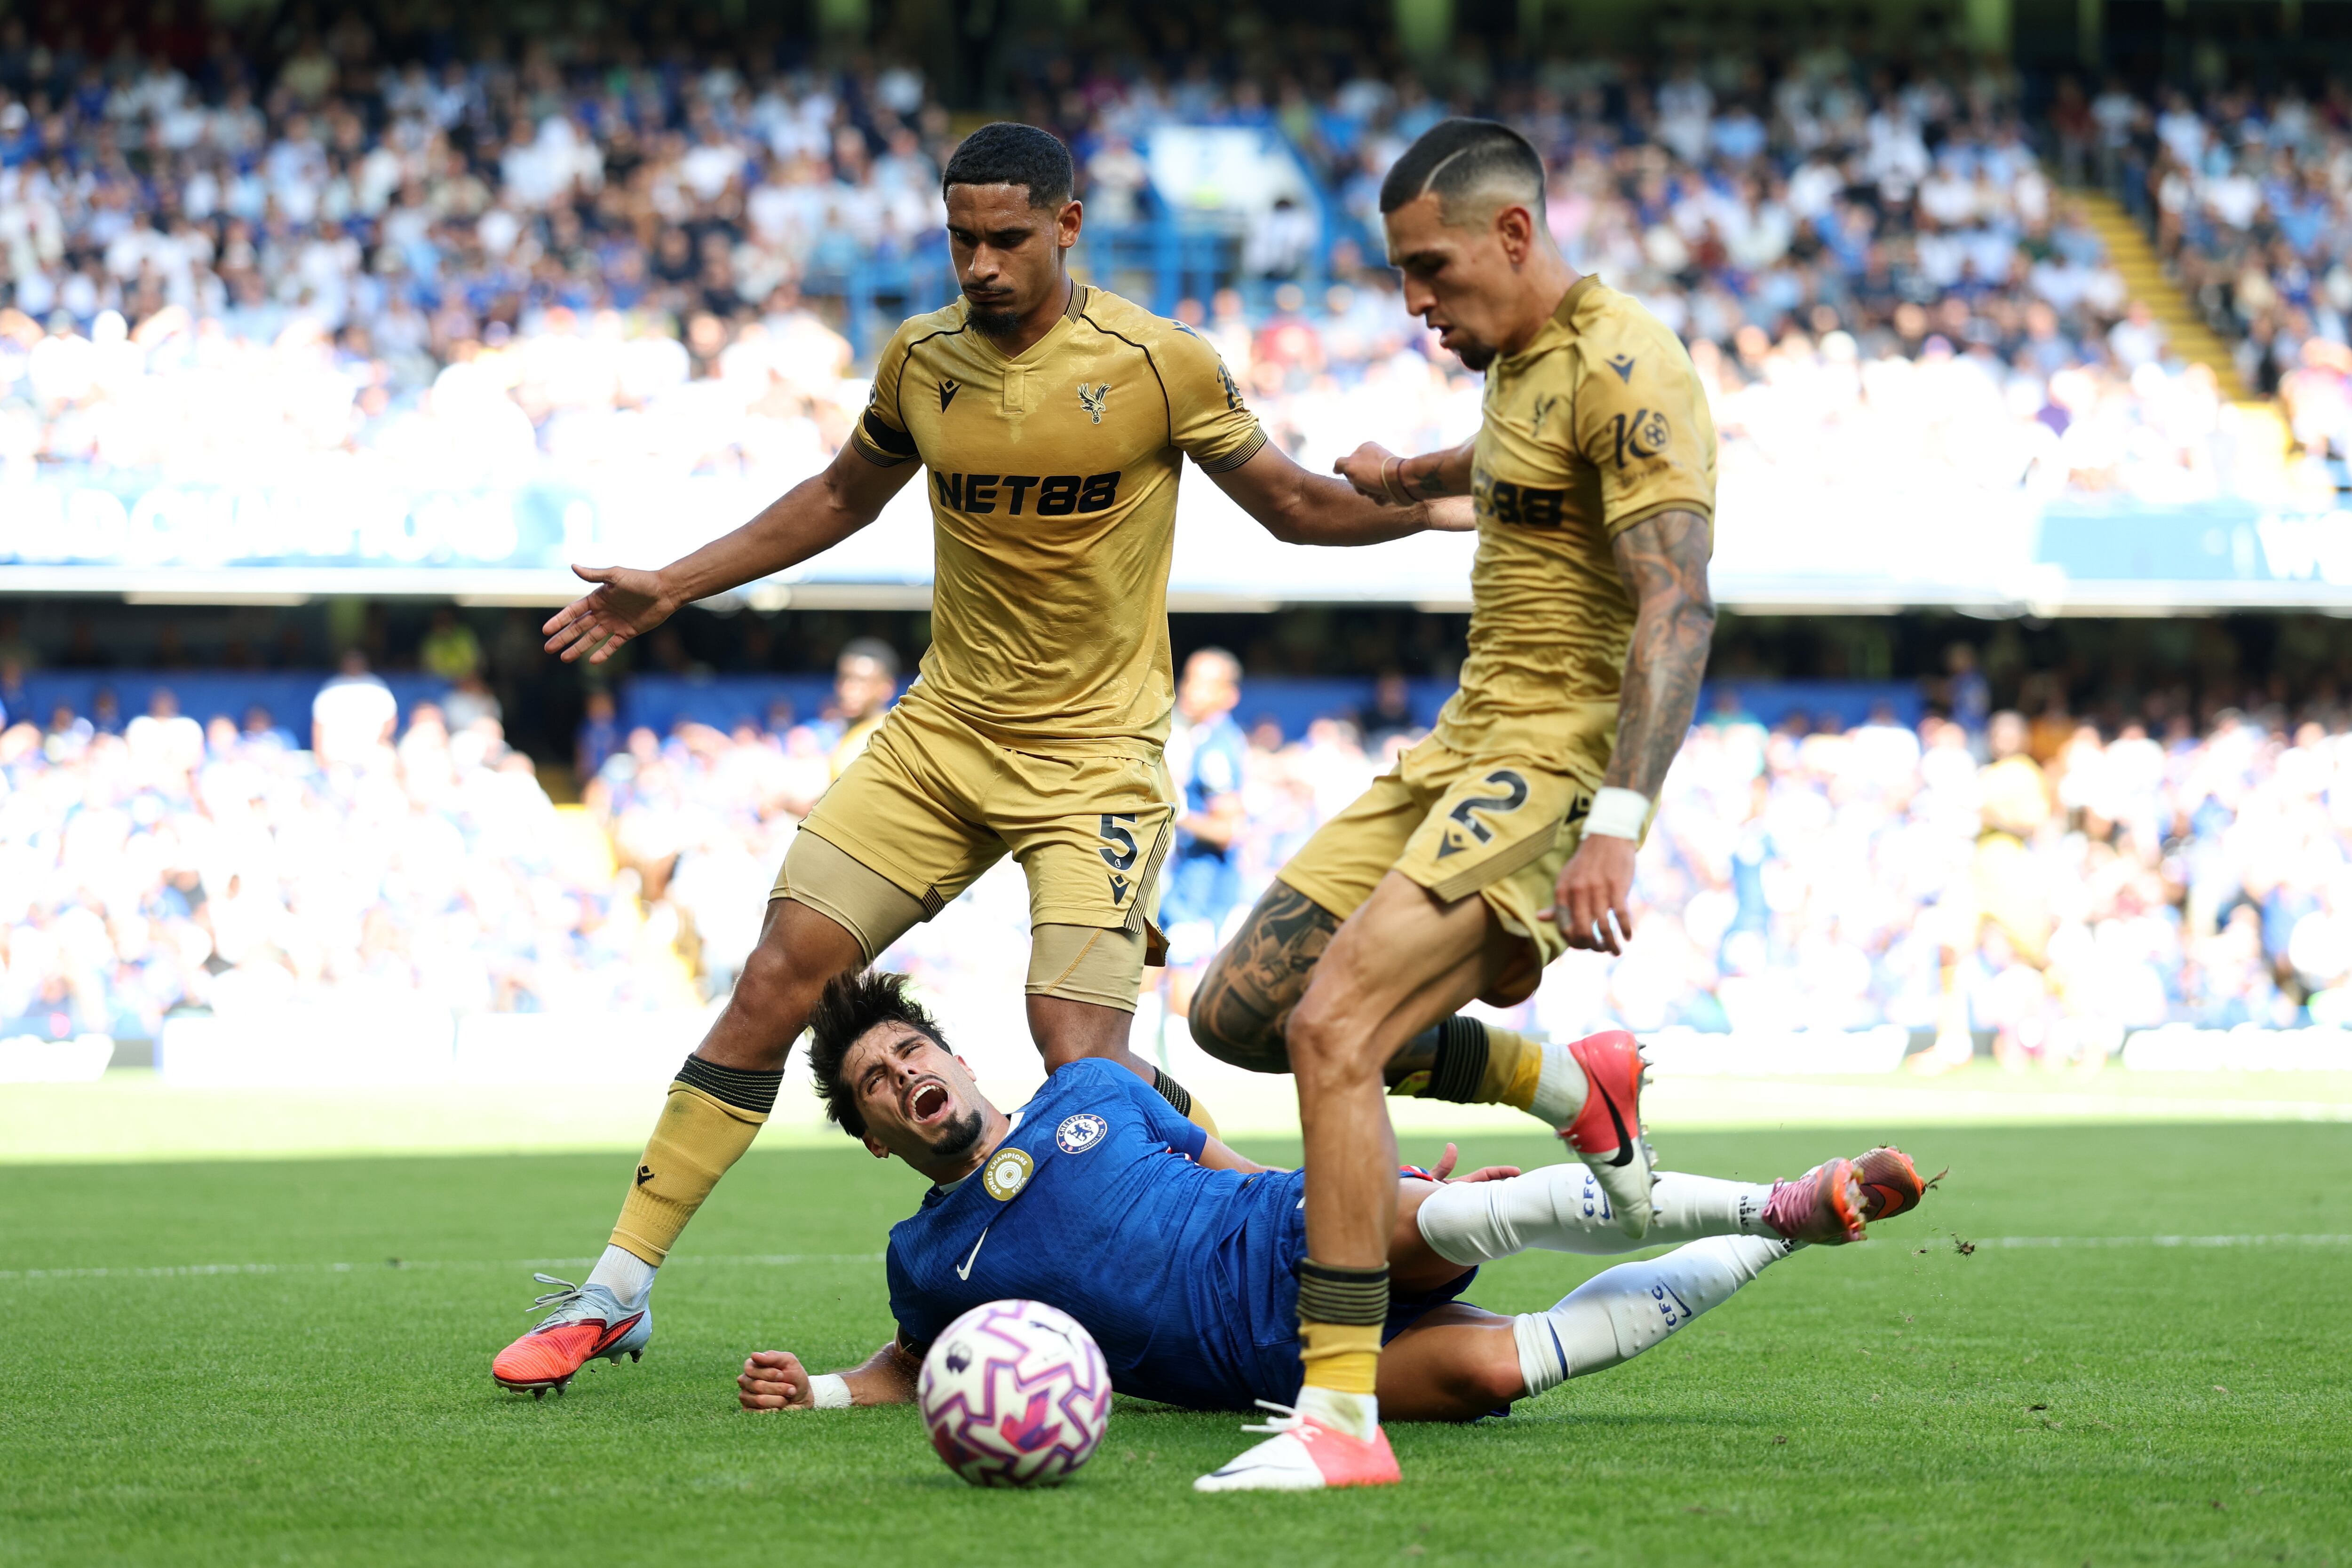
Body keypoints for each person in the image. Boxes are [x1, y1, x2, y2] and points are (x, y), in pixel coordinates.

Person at [497, 122, 1471, 1397]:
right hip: (943, 735)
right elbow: (842, 494)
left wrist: (1466, 502)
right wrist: (674, 583)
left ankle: (1303, 1216)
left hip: (1095, 760)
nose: (982, 263)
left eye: (1008, 237)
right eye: (962, 238)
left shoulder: (1155, 363)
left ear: (1068, 227)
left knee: (1081, 1058)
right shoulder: (924, 362)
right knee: (778, 974)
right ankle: (616, 1290)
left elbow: (1295, 506)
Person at [1184, 119, 1721, 1487]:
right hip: (1456, 747)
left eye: (1429, 271)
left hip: (1543, 768)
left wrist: (1615, 821)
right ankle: (1558, 1078)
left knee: (1334, 1028)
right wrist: (1399, 474)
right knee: (1237, 1011)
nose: (1415, 303)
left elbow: (1676, 598)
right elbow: (1500, 478)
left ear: (1512, 235)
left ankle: (1342, 1413)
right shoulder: (1517, 369)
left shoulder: (1625, 365)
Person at [722, 974, 1929, 1460]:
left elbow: (1241, 1165)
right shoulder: (925, 1259)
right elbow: (911, 1362)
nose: (900, 1078)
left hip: (1278, 1231)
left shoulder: (1093, 1088)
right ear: (876, 1133)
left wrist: (1375, 1184)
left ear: (954, 1054)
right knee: (1503, 1375)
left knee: (1444, 1226)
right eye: (876, 1085)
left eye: (908, 1051)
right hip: (1270, 1368)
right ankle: (1784, 1232)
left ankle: (1770, 1193)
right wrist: (818, 1389)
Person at [1155, 647, 1251, 1011]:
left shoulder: (1216, 748)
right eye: (1189, 678)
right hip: (1185, 880)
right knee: (1153, 977)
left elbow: (1230, 828)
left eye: (1204, 682)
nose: (1191, 689)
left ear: (1229, 694)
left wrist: (1172, 811)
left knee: (1182, 978)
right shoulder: (1203, 738)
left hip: (1202, 884)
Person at [827, 637, 898, 777]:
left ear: (887, 687)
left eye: (862, 681)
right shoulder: (838, 730)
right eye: (844, 678)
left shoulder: (888, 739)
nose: (849, 689)